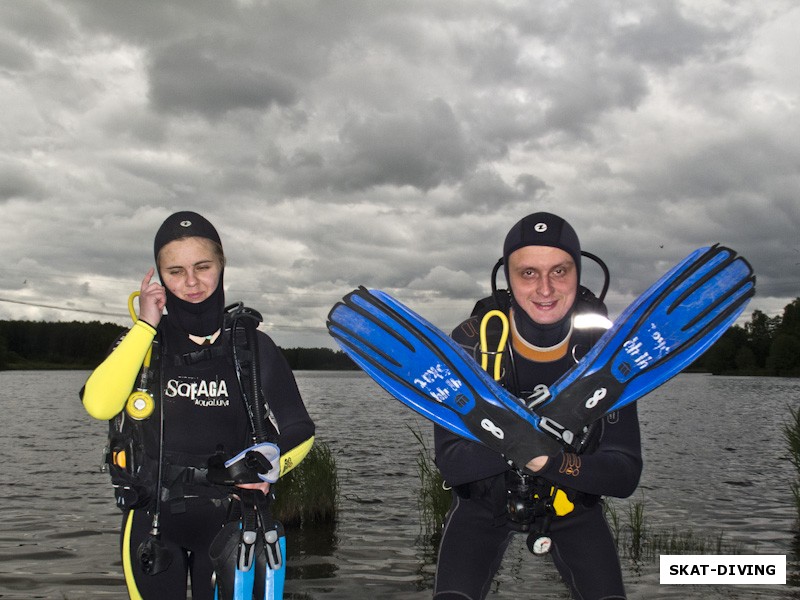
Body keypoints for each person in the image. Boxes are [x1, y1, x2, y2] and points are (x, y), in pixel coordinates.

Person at [81, 211, 315, 599]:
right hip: (152, 524)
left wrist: (274, 461)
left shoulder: (254, 348)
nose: (191, 282)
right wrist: (145, 326)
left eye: (202, 266)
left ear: (221, 264)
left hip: (235, 520)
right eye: (175, 271)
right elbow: (99, 404)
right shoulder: (144, 344)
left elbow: (300, 428)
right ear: (158, 276)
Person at [433, 212, 642, 600]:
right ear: (507, 279)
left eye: (559, 271)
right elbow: (452, 461)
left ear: (579, 274)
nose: (545, 288)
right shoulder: (470, 343)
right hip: (483, 506)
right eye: (528, 273)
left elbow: (625, 472)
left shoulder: (606, 354)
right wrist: (534, 441)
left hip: (573, 507)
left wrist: (549, 461)